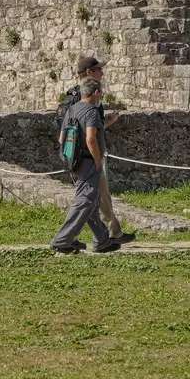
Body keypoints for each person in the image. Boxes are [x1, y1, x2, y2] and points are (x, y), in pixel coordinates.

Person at [57, 56, 136, 249]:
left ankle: (104, 237)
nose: (102, 73)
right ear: (90, 73)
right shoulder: (80, 98)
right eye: (99, 70)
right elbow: (87, 135)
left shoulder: (81, 100)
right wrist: (97, 159)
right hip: (86, 158)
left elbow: (72, 132)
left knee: (95, 197)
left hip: (79, 157)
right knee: (89, 199)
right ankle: (65, 239)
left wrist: (106, 122)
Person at [50, 77, 119, 254]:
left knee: (91, 201)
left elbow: (61, 138)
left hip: (72, 160)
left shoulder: (71, 109)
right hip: (88, 162)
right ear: (95, 93)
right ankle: (63, 239)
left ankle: (102, 240)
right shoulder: (91, 111)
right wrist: (97, 161)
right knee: (85, 200)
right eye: (100, 92)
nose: (100, 96)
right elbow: (90, 138)